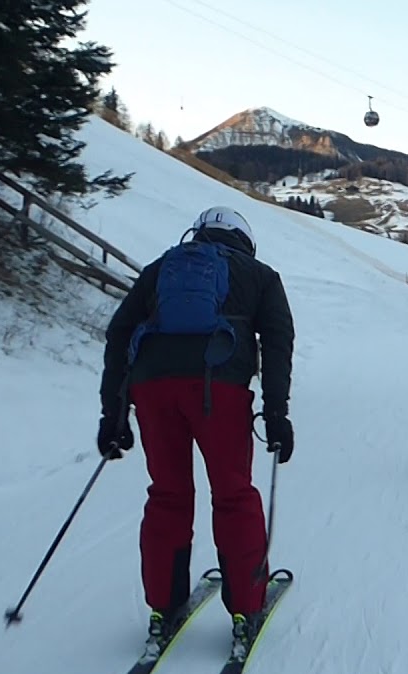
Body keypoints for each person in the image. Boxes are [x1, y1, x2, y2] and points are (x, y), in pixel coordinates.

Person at [96, 205, 295, 650]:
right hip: (218, 389)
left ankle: (163, 609)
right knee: (233, 495)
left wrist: (114, 412)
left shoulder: (161, 268)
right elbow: (278, 342)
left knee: (167, 494)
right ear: (244, 240)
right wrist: (276, 413)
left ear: (199, 234)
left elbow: (119, 334)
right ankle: (246, 608)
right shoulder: (261, 276)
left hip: (153, 390)